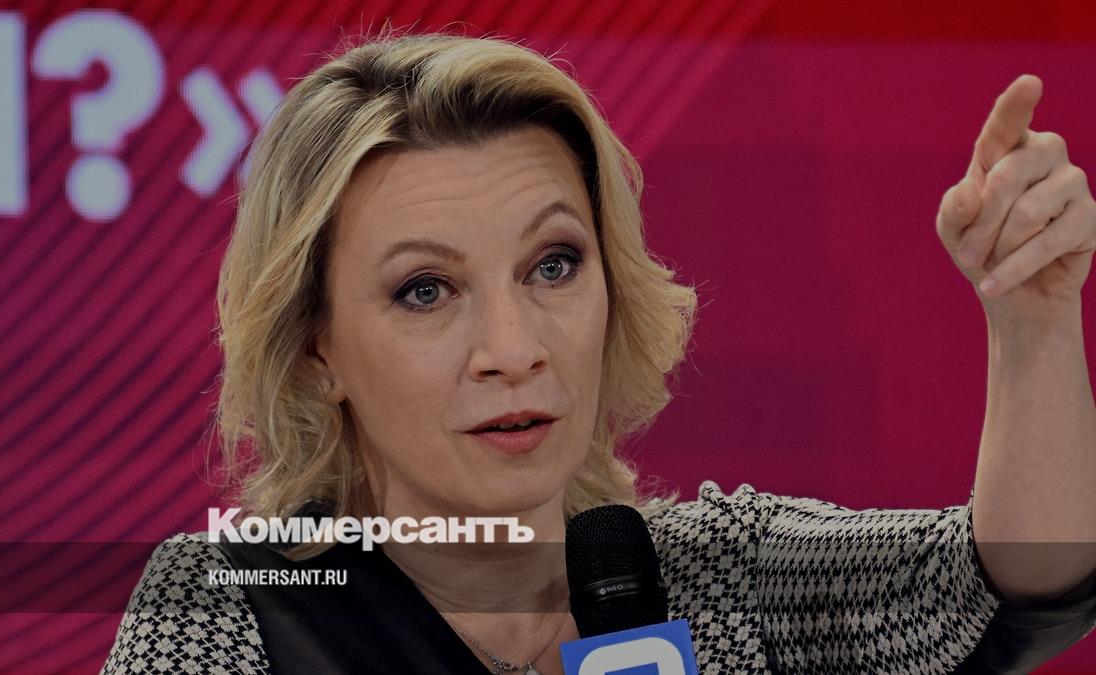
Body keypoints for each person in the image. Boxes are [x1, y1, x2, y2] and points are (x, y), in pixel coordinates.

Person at [101, 32, 1096, 674]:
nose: (513, 349)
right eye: (425, 290)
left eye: (553, 266)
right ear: (316, 349)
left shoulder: (714, 577)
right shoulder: (229, 606)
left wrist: (1035, 321)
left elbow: (1013, 587)